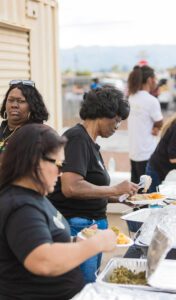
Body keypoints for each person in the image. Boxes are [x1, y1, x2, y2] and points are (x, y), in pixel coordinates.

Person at [0, 123, 116, 299]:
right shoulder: (21, 206)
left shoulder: (34, 197)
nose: (62, 173)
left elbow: (37, 241)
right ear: (35, 161)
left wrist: (76, 240)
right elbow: (43, 261)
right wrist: (96, 243)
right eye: (59, 164)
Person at [48, 86, 138, 283]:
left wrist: (120, 197)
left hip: (92, 226)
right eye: (116, 119)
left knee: (90, 283)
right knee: (83, 288)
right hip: (78, 226)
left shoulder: (89, 142)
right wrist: (115, 188)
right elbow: (71, 187)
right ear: (102, 112)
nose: (117, 125)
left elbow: (90, 188)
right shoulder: (77, 138)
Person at [127, 65, 163, 183]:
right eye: (155, 78)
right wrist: (156, 127)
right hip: (148, 154)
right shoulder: (151, 101)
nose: (156, 81)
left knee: (136, 193)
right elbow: (160, 122)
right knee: (148, 194)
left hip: (133, 152)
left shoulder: (131, 98)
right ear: (149, 80)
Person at [0, 79, 49, 154]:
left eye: (21, 101)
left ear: (32, 106)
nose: (14, 105)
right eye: (10, 100)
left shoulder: (42, 135)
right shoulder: (2, 130)